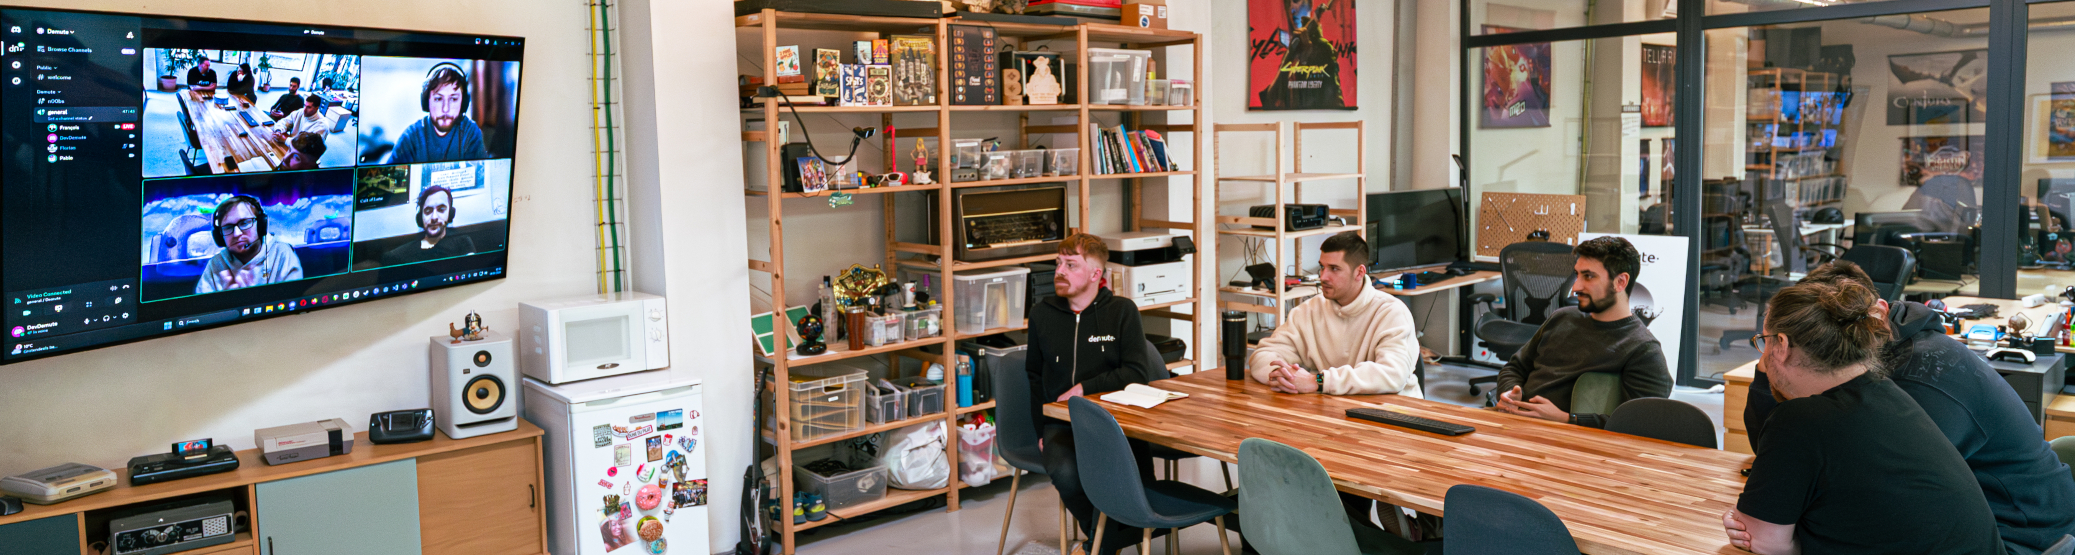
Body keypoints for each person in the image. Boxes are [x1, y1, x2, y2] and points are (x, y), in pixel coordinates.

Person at [1743, 261, 2075, 554]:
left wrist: (1780, 524)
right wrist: (1768, 369)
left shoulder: (1916, 378)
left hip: (2023, 536)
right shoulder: (1874, 377)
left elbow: (1889, 494)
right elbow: (1792, 457)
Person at [1723, 279, 2003, 554]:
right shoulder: (1887, 391)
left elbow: (1762, 541)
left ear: (1781, 345)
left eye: (1764, 340)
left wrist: (1788, 539)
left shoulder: (1799, 420)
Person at [1026, 233, 1158, 555]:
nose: (1060, 270)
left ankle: (1102, 544)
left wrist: (1085, 388)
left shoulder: (1123, 312)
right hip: (1062, 424)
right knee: (1067, 475)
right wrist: (1041, 430)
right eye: (1059, 262)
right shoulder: (1042, 314)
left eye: (1071, 265)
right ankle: (1105, 542)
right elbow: (1033, 376)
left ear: (1096, 274)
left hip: (1119, 423)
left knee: (1137, 484)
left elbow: (1137, 373)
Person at [1492, 236, 1670, 427]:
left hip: (1568, 440)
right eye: (1577, 275)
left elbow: (1642, 422)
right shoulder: (1561, 318)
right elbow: (1515, 368)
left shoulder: (1643, 349)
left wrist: (1566, 419)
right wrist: (1510, 393)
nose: (1575, 287)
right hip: (1513, 422)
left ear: (1620, 282)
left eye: (1589, 276)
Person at [1248, 231, 1422, 397]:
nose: (1323, 276)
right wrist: (1283, 376)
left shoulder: (1392, 313)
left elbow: (1392, 375)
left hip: (1393, 413)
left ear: (1359, 272)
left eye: (1334, 269)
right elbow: (1263, 355)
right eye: (1322, 267)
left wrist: (1318, 381)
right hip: (1331, 411)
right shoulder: (1307, 311)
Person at [196, 195, 303, 294]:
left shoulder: (282, 254)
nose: (237, 233)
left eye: (244, 223)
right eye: (228, 227)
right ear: (219, 236)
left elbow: (292, 300)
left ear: (261, 225)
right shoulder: (216, 264)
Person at [389, 63, 491, 164]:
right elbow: (387, 178)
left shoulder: (470, 133)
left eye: (453, 99)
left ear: (463, 102)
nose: (445, 109)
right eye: (438, 99)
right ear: (426, 102)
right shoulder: (410, 138)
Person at [380, 185, 477, 266]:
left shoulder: (463, 242)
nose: (434, 217)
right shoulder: (397, 256)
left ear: (450, 214)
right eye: (428, 211)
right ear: (420, 217)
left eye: (441, 209)